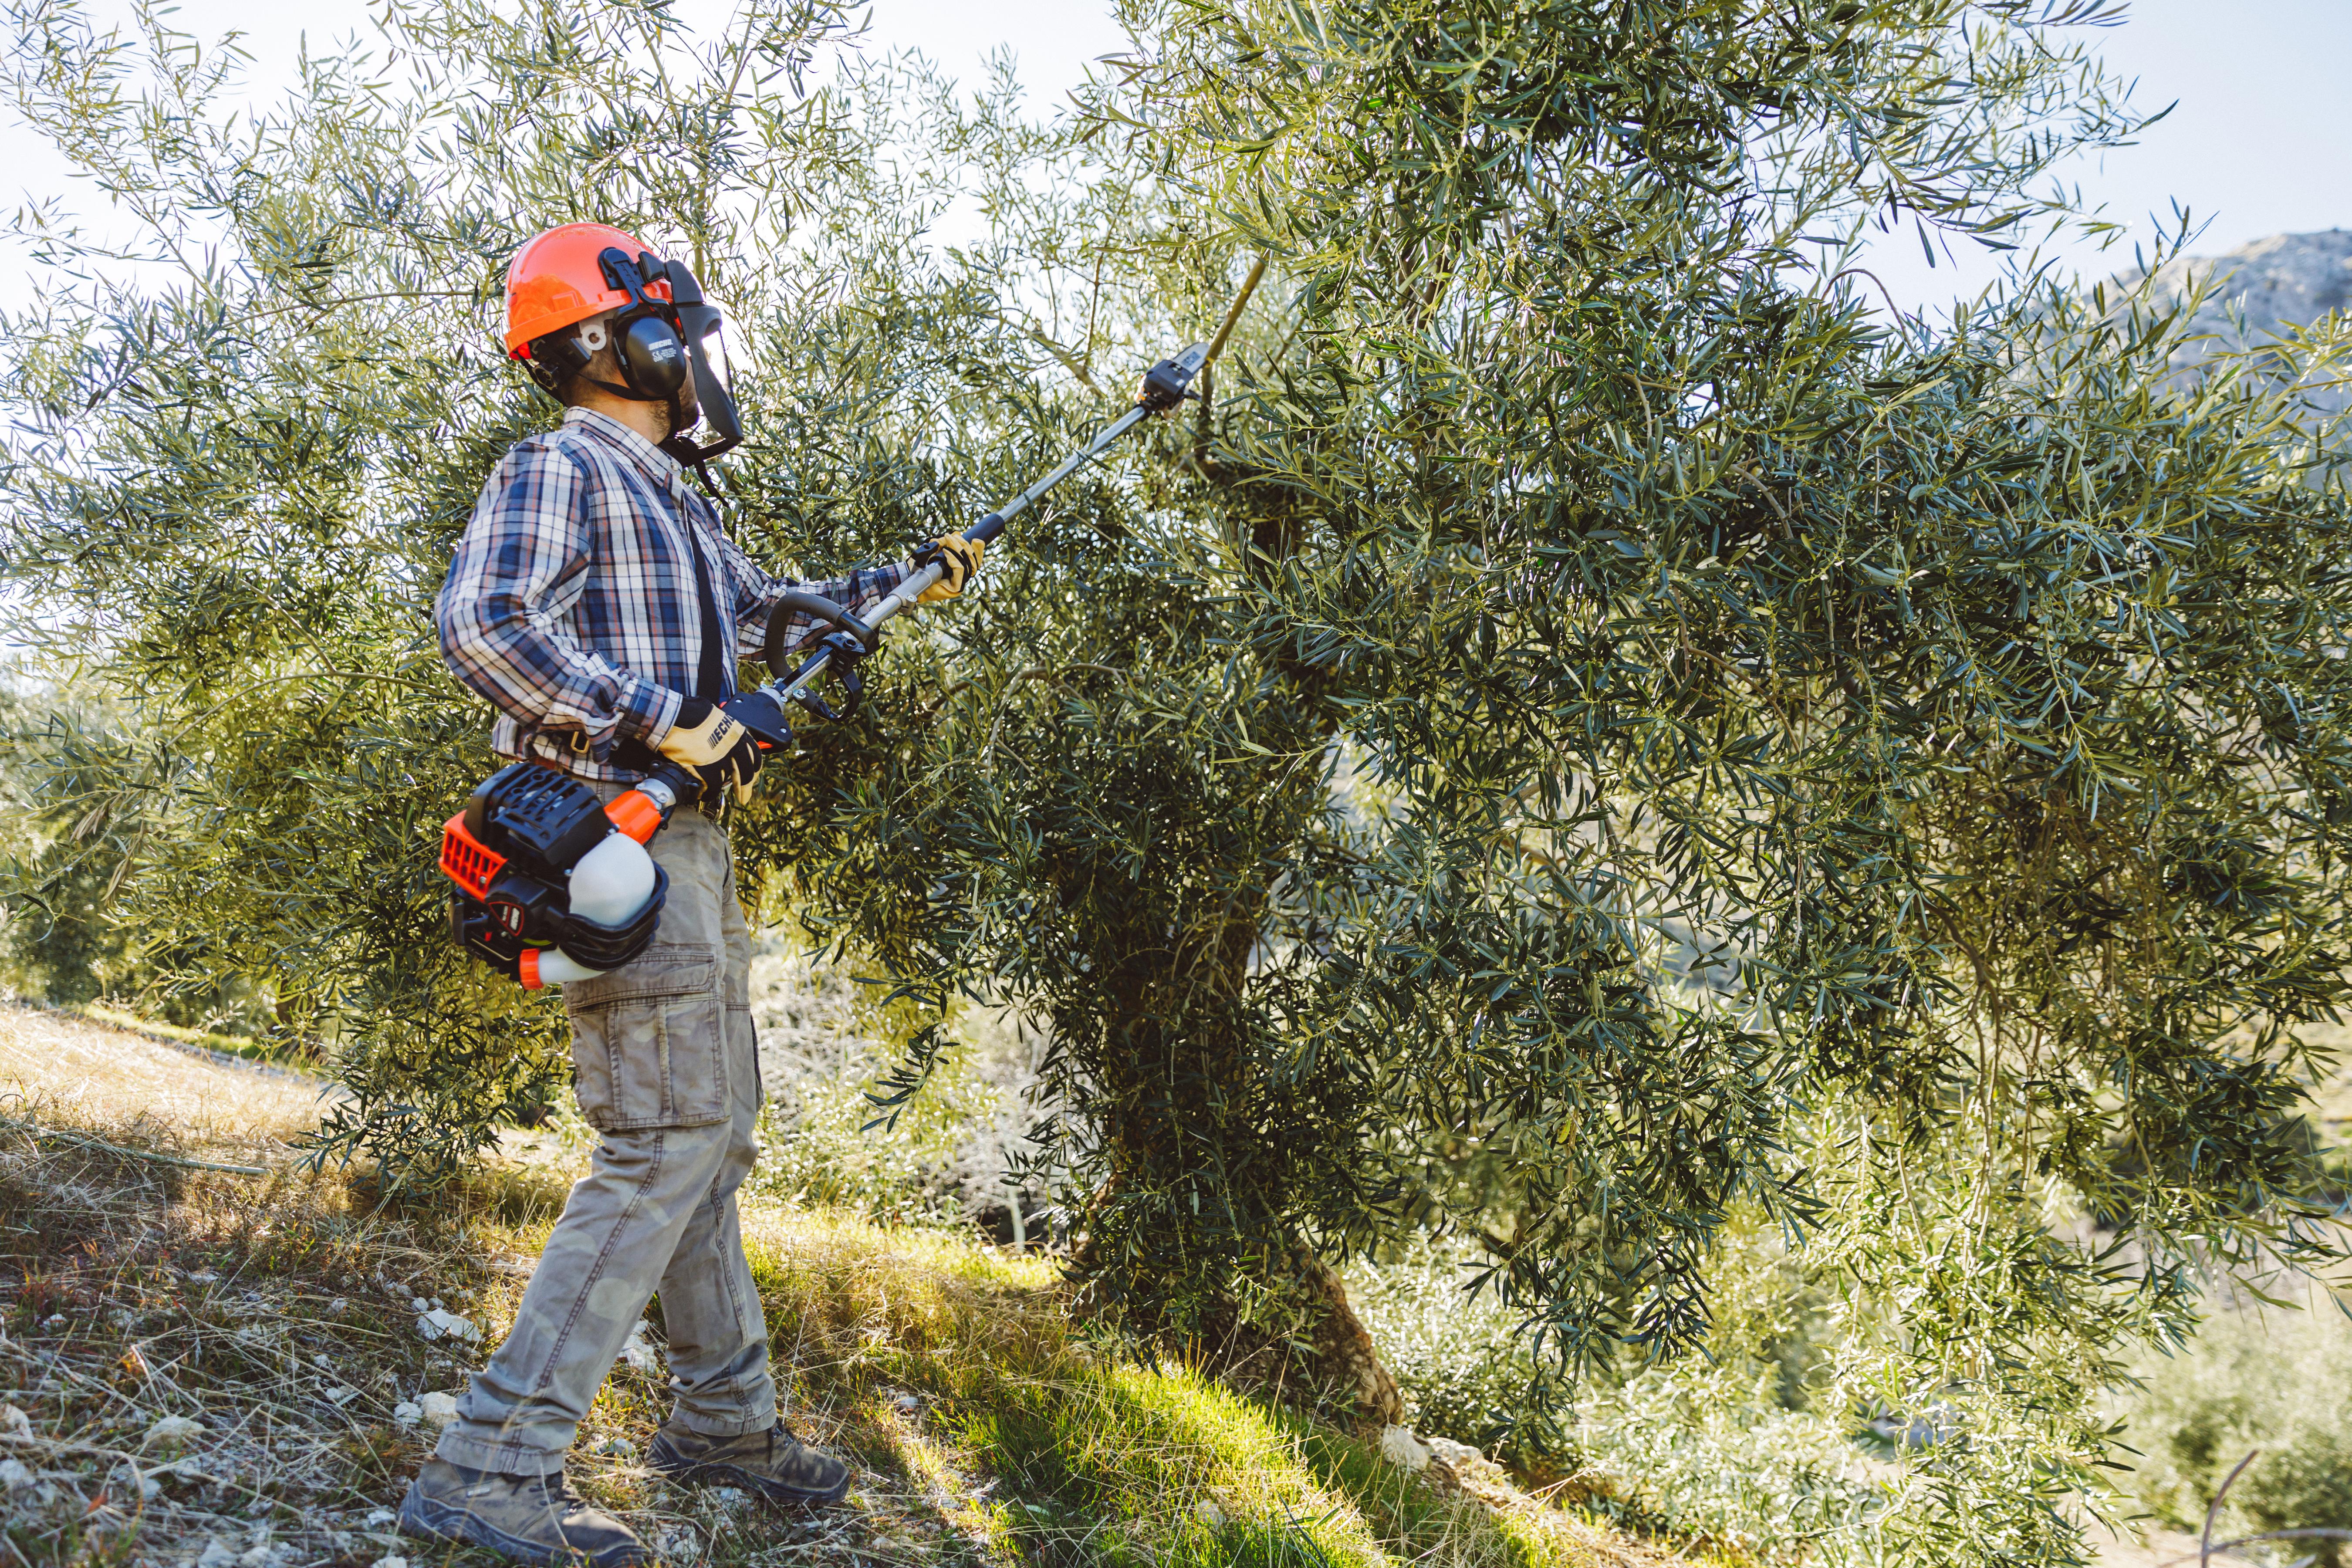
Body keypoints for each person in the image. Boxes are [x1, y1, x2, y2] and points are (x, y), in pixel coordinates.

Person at [402, 221, 980, 1568]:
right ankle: (489, 1465)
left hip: (694, 842)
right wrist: (660, 720)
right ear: (625, 340)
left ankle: (724, 1424)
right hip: (621, 830)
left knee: (710, 1138)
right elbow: (484, 624)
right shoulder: (558, 465)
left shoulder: (677, 498)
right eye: (682, 329)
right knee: (661, 1140)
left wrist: (892, 586)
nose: (701, 355)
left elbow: (761, 624)